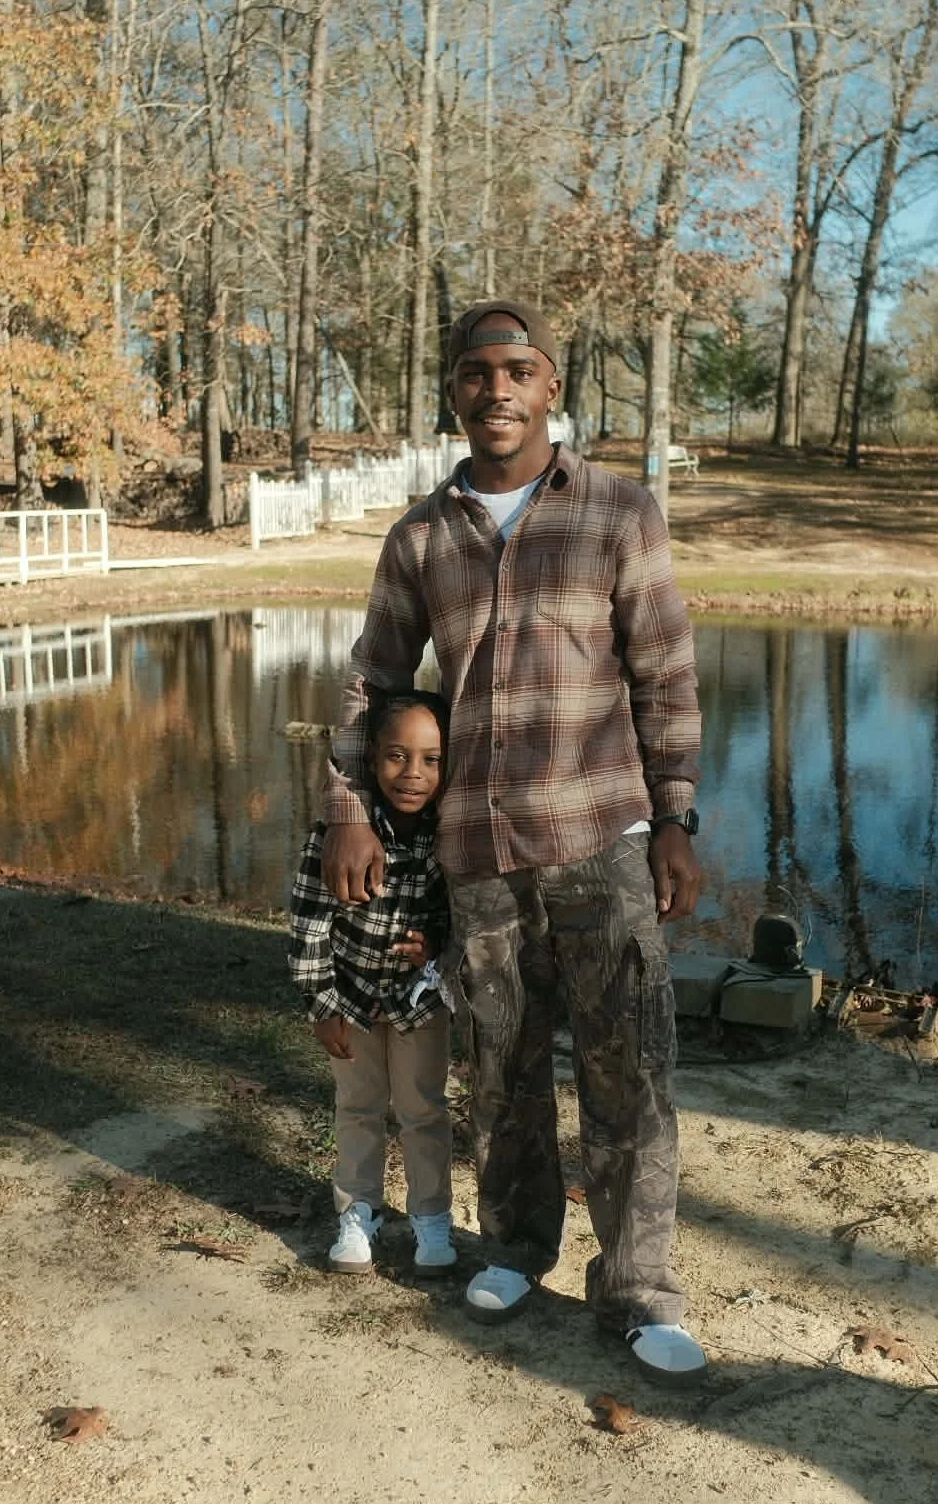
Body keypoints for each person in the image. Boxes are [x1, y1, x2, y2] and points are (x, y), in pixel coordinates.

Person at [322, 298, 706, 1383]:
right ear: (455, 391)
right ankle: (519, 1246)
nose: (497, 388)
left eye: (518, 370)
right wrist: (348, 803)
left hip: (600, 836)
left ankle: (639, 1292)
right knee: (503, 1065)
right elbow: (373, 681)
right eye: (476, 372)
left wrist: (674, 815)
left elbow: (665, 673)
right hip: (478, 847)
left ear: (550, 385)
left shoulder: (619, 513)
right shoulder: (422, 536)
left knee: (631, 1071)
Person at [289, 688, 457, 1277]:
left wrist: (437, 948)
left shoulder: (451, 838)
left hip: (422, 1004)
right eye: (396, 755)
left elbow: (466, 919)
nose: (412, 774)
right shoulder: (336, 837)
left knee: (423, 1112)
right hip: (352, 999)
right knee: (358, 1107)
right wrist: (321, 1004)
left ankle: (432, 1218)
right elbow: (310, 921)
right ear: (371, 760)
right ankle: (359, 1211)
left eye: (431, 759)